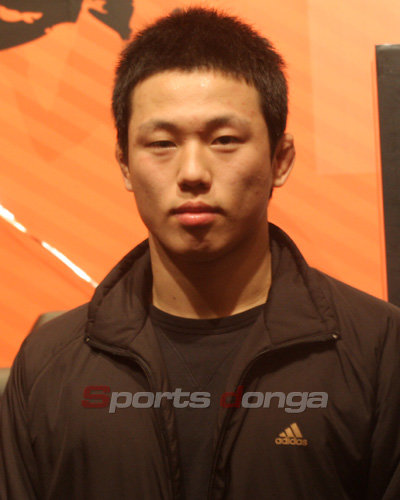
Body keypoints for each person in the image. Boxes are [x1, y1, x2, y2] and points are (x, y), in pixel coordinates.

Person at [1, 7, 400, 500]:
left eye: (224, 140)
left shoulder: (379, 350)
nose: (192, 172)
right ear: (124, 164)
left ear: (280, 158)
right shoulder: (48, 363)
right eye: (162, 143)